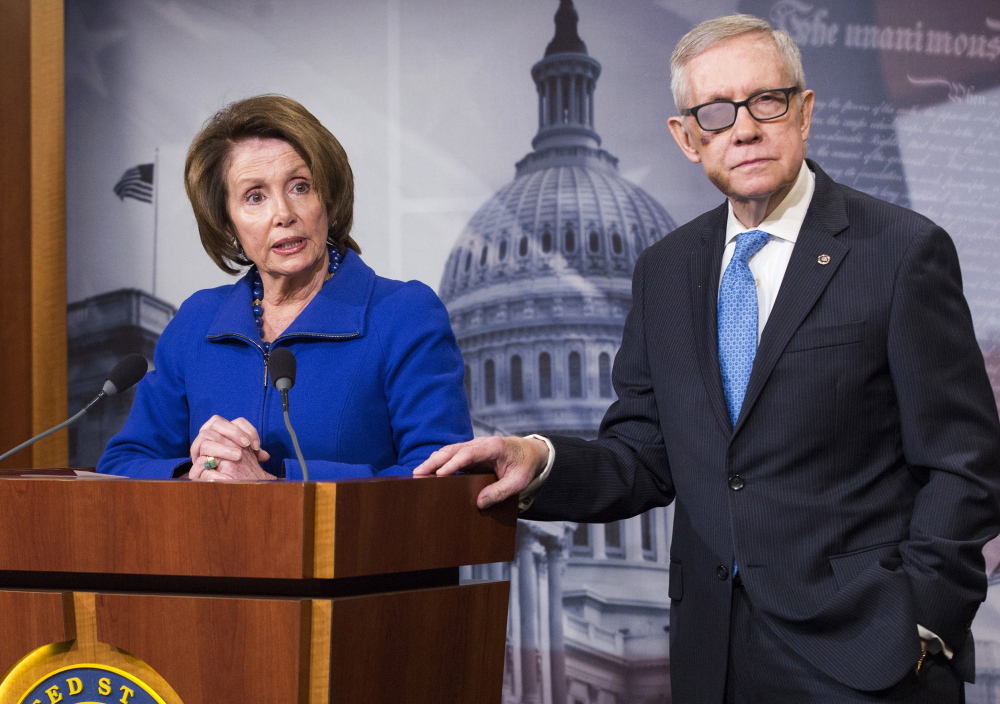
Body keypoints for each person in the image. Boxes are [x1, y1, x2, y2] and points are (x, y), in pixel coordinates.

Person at [415, 14, 1000, 703]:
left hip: (869, 665)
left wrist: (923, 626)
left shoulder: (900, 252)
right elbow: (645, 453)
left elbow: (966, 465)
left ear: (804, 112)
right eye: (716, 112)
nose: (744, 128)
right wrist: (539, 459)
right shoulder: (665, 269)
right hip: (712, 662)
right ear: (687, 138)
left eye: (766, 101)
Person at [99, 95, 472, 481]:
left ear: (326, 197)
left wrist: (274, 488)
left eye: (299, 187)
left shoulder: (403, 314)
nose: (284, 214)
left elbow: (443, 479)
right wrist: (200, 472)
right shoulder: (198, 322)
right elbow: (123, 463)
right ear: (227, 224)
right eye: (255, 197)